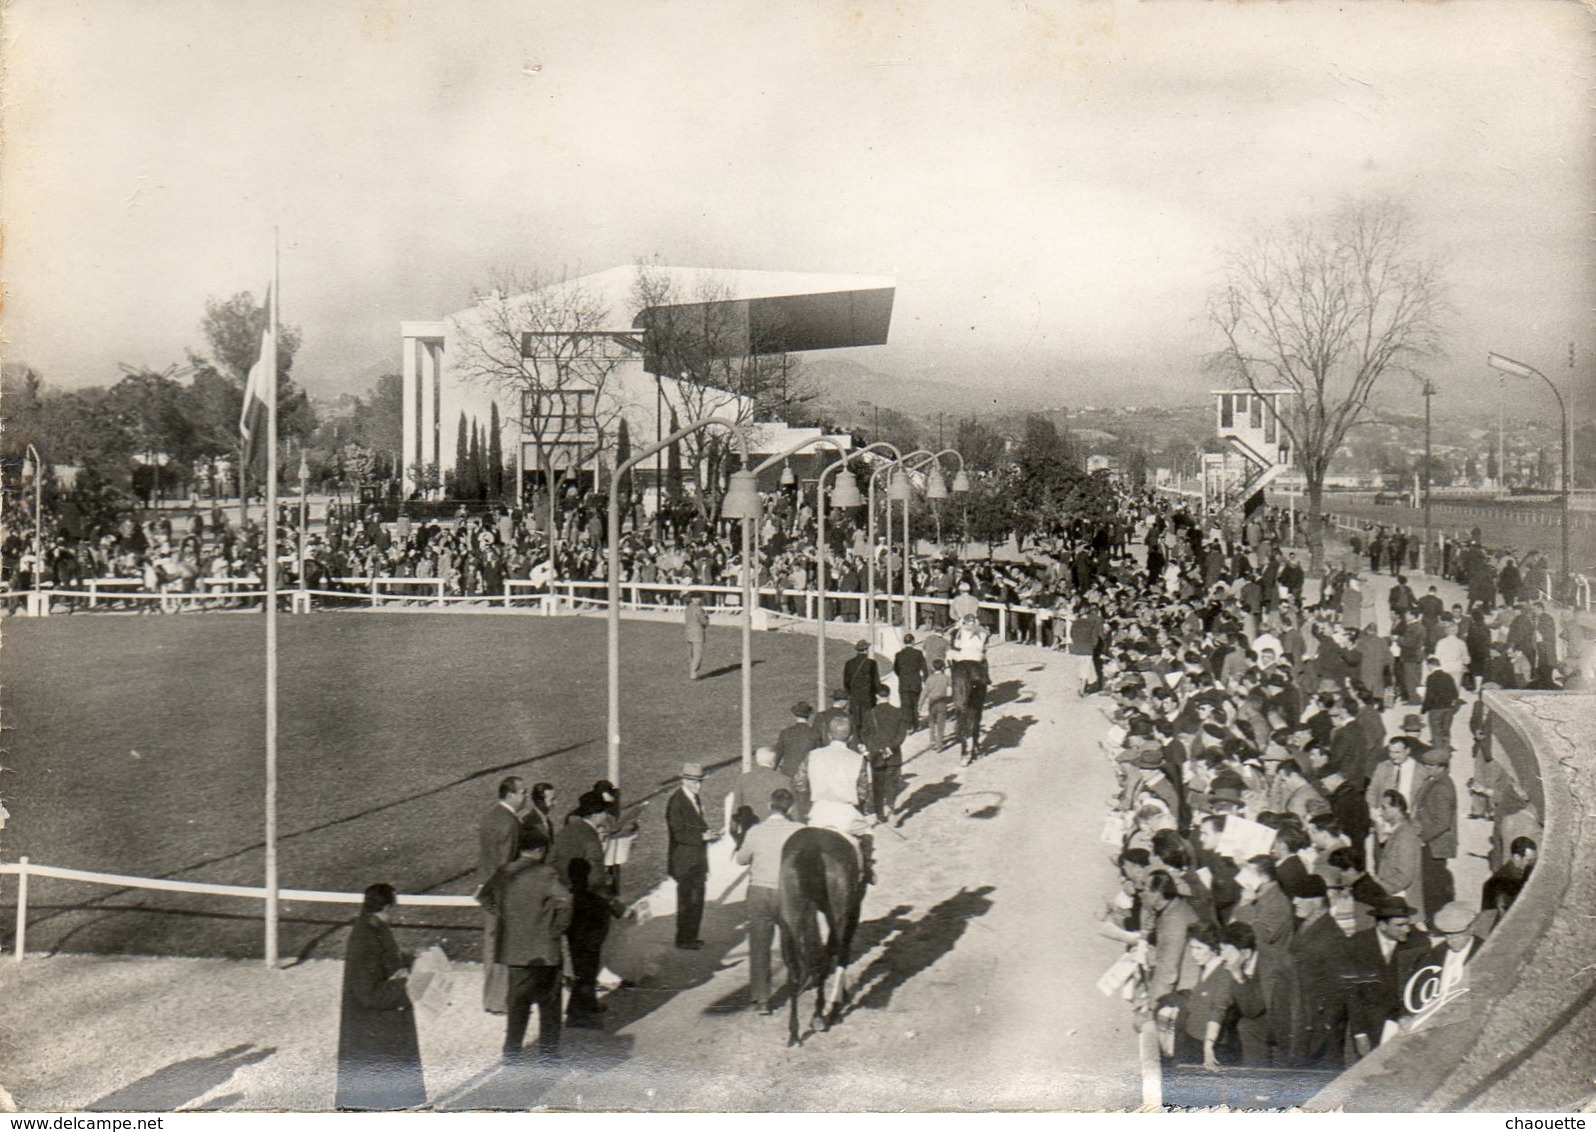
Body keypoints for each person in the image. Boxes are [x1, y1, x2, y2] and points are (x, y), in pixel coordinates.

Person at [479, 828, 572, 1067]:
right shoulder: (546, 874)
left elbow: (484, 897)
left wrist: (505, 918)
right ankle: (548, 1055)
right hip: (544, 951)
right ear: (540, 850)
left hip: (514, 950)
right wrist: (555, 929)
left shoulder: (504, 872)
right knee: (549, 1004)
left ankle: (511, 1055)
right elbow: (566, 901)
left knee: (517, 1005)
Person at [336, 884, 426, 1111]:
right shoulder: (367, 935)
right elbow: (369, 993)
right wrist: (406, 985)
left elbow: (382, 963)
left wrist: (408, 959)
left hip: (377, 1028)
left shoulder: (372, 927)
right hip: (374, 1029)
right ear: (386, 906)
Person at [733, 788, 803, 1015]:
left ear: (768, 805)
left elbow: (741, 859)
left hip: (759, 892)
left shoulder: (756, 831)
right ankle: (796, 982)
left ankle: (762, 998)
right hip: (787, 893)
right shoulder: (799, 831)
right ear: (790, 808)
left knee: (760, 944)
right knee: (791, 939)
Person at [551, 792, 616, 1023]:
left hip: (567, 903)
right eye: (605, 812)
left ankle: (586, 1004)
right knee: (588, 959)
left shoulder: (566, 832)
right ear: (597, 814)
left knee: (578, 958)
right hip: (588, 907)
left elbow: (552, 864)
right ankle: (579, 1011)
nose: (607, 816)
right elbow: (597, 879)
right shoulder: (590, 839)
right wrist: (613, 901)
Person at [1344, 896, 1428, 1056]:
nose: (1407, 930)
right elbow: (1353, 993)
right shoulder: (1356, 944)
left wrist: (1409, 1016)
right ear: (1382, 925)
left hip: (1405, 1024)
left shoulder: (1418, 944)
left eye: (1407, 923)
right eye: (1400, 925)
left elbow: (1421, 986)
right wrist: (1360, 1034)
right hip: (1371, 1025)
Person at [796, 715, 875, 883]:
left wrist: (808, 801)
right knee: (868, 833)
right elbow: (863, 792)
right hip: (845, 814)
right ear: (851, 736)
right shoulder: (858, 759)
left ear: (829, 735)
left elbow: (799, 782)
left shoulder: (813, 755)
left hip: (818, 812)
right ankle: (867, 869)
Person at [478, 776, 529, 1014]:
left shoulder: (489, 817)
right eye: (522, 793)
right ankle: (501, 1001)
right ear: (511, 795)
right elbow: (507, 864)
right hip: (503, 893)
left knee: (491, 944)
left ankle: (490, 999)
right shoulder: (510, 823)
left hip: (488, 890)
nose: (525, 797)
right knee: (505, 946)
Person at [666, 762, 717, 950]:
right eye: (695, 782)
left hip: (696, 858)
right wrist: (703, 836)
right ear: (684, 780)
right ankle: (683, 938)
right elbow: (677, 833)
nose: (699, 786)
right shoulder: (676, 802)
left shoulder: (694, 797)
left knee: (697, 898)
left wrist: (708, 831)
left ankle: (691, 936)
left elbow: (696, 823)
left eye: (700, 781)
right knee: (688, 900)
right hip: (684, 860)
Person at [863, 684, 907, 822]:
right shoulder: (898, 712)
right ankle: (891, 807)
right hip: (894, 754)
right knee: (892, 783)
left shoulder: (870, 714)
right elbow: (902, 735)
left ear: (876, 696)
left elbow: (865, 734)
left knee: (877, 785)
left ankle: (880, 815)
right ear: (889, 695)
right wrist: (890, 748)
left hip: (876, 755)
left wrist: (876, 748)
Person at [843, 640, 885, 746]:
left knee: (856, 721)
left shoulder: (849, 663)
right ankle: (867, 744)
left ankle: (857, 743)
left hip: (854, 697)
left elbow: (846, 682)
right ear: (866, 650)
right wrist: (878, 693)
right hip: (868, 697)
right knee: (867, 721)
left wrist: (851, 692)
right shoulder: (871, 663)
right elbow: (876, 682)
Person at [736, 745, 792, 821]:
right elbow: (791, 808)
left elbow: (737, 806)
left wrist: (733, 828)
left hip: (749, 826)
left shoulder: (743, 779)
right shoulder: (784, 780)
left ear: (757, 760)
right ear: (773, 761)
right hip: (775, 826)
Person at [775, 701, 819, 780]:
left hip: (787, 773)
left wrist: (773, 770)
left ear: (795, 715)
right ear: (809, 716)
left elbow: (778, 754)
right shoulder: (814, 733)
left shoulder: (785, 732)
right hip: (806, 774)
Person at [893, 633, 928, 732]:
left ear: (904, 642)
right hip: (915, 682)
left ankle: (907, 726)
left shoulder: (898, 654)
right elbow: (924, 668)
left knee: (905, 705)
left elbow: (895, 669)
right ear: (913, 642)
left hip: (903, 682)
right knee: (915, 704)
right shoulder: (918, 653)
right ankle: (916, 725)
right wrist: (925, 680)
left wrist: (902, 676)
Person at [685, 592, 709, 679]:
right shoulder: (699, 609)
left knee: (691, 654)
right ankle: (693, 672)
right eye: (699, 598)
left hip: (689, 633)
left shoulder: (688, 608)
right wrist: (706, 616)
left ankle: (692, 671)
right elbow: (704, 622)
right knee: (697, 654)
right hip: (697, 634)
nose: (700, 600)